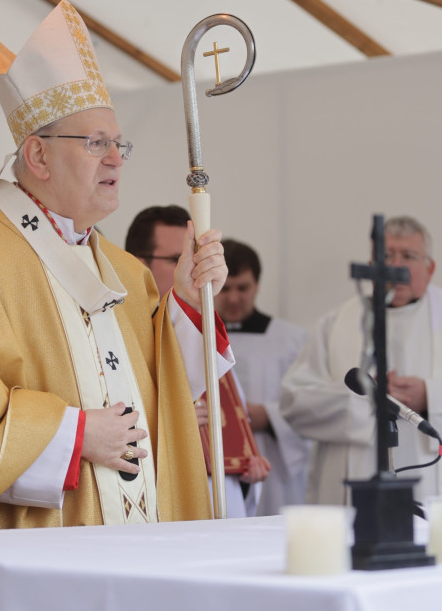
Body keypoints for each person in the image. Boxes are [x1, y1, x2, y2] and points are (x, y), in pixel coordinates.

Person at [0, 0, 231, 535]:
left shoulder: (125, 271)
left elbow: (164, 397)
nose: (116, 158)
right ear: (37, 157)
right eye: (96, 143)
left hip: (137, 538)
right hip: (33, 541)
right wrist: (74, 436)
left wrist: (189, 298)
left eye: (118, 143)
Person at [280, 215, 442, 506]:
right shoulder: (335, 322)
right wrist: (366, 398)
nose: (396, 266)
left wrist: (430, 396)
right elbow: (294, 402)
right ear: (371, 266)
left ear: (430, 268)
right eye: (387, 256)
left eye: (408, 256)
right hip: (351, 481)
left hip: (430, 480)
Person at [126, 206, 270, 517]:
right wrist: (174, 420)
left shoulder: (202, 333)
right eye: (177, 259)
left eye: (195, 257)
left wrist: (247, 471)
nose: (191, 268)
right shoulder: (125, 334)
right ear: (140, 264)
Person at [214, 240, 309, 515]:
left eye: (242, 288)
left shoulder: (290, 339)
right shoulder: (195, 336)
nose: (233, 298)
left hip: (274, 463)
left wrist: (269, 416)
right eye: (225, 288)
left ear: (257, 285)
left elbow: (309, 404)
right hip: (216, 461)